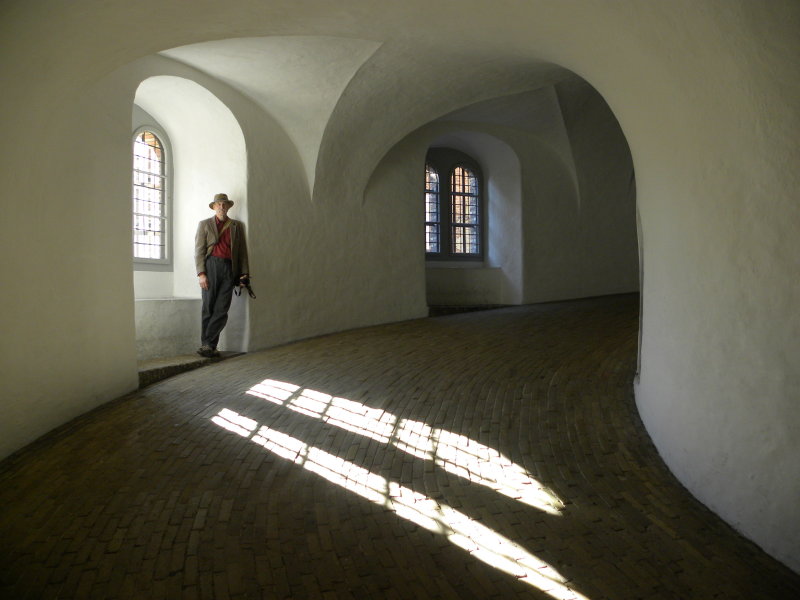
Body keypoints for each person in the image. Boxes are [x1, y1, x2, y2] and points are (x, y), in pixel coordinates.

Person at [194, 193, 250, 358]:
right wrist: (201, 273)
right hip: (211, 266)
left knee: (222, 308)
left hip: (229, 268)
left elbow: (242, 252)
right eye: (218, 204)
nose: (222, 207)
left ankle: (208, 345)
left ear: (228, 207)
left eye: (224, 204)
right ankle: (209, 345)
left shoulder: (236, 226)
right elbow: (199, 250)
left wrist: (244, 274)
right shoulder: (204, 224)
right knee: (208, 307)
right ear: (213, 207)